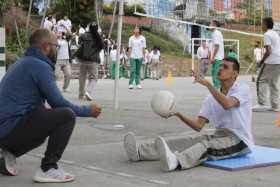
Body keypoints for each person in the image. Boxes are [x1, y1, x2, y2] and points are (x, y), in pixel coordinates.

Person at [0, 29, 101, 182]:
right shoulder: (39, 66)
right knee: (66, 116)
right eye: (56, 46)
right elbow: (58, 103)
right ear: (46, 47)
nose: (57, 49)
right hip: (8, 128)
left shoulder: (22, 62)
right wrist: (88, 110)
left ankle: (6, 153)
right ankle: (48, 168)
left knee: (44, 115)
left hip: (5, 129)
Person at [124, 57, 254, 172]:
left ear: (235, 74)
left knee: (206, 147)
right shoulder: (210, 98)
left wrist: (208, 84)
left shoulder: (242, 89)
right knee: (186, 140)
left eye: (225, 67)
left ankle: (176, 162)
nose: (220, 68)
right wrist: (178, 113)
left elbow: (227, 104)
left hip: (239, 140)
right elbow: (198, 126)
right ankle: (139, 152)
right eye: (220, 65)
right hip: (218, 134)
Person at [252, 17, 280, 112]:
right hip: (278, 61)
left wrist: (261, 61)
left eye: (262, 23)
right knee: (273, 83)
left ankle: (262, 103)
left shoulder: (267, 34)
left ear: (266, 24)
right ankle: (275, 106)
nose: (261, 26)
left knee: (261, 80)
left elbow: (268, 51)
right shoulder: (275, 33)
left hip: (271, 61)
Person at [77, 22, 104, 101]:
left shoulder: (83, 36)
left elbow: (79, 43)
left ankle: (81, 95)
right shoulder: (98, 38)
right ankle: (88, 92)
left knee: (82, 78)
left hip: (83, 60)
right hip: (93, 60)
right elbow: (101, 47)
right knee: (94, 78)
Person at [210, 20, 224, 89]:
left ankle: (218, 91)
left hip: (217, 58)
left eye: (210, 24)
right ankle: (218, 90)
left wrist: (213, 57)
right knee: (214, 75)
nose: (209, 25)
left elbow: (217, 46)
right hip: (217, 58)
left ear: (214, 25)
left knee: (216, 76)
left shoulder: (216, 33)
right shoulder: (214, 33)